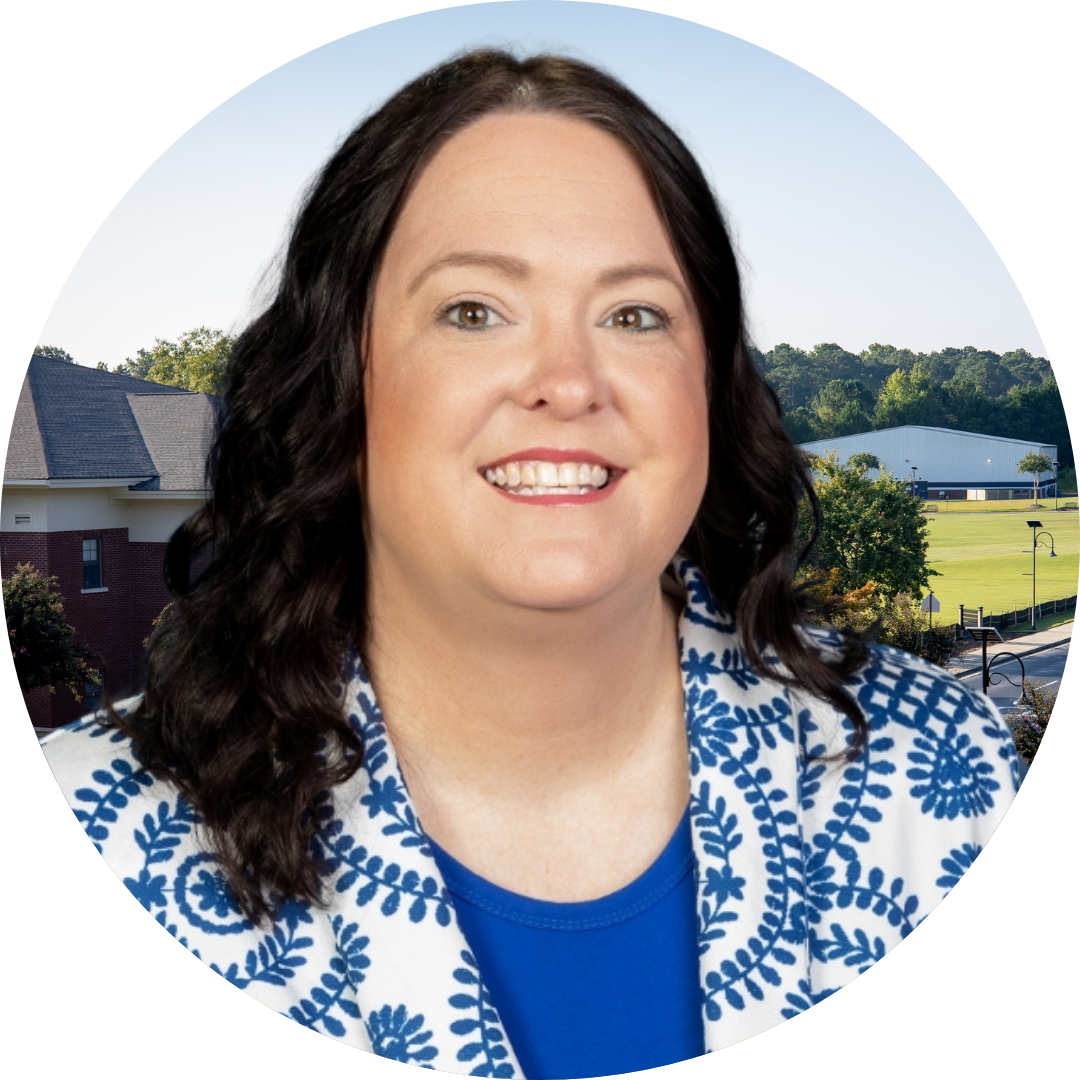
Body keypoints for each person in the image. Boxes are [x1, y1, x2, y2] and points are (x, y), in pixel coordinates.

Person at [39, 49, 1018, 1074]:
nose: (567, 382)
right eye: (474, 312)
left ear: (712, 389)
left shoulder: (934, 766)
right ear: (342, 377)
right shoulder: (111, 826)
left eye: (635, 315)